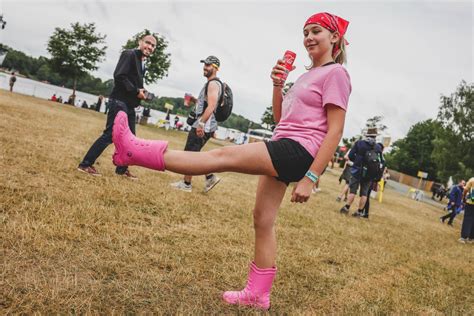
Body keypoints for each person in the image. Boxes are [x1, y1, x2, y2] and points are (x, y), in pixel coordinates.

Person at [110, 12, 351, 309]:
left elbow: (335, 129)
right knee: (262, 219)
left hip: (299, 150)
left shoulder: (336, 74)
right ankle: (258, 294)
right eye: (305, 32)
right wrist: (278, 85)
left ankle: (134, 152)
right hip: (285, 141)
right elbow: (281, 120)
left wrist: (311, 177)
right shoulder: (306, 76)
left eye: (316, 31)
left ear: (334, 37)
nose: (309, 38)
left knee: (220, 156)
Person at [77, 34, 157, 178]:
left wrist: (142, 91)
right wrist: (135, 91)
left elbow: (133, 81)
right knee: (110, 135)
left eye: (153, 45)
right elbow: (119, 76)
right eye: (147, 43)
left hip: (130, 105)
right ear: (140, 42)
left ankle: (122, 169)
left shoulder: (141, 62)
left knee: (131, 138)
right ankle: (85, 164)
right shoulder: (129, 54)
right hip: (119, 101)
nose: (150, 47)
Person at [169, 56, 224, 193]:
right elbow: (206, 104)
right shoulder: (212, 84)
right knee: (194, 153)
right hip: (207, 124)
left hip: (203, 124)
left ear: (216, 68)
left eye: (208, 65)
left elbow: (211, 106)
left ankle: (187, 184)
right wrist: (195, 100)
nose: (205, 67)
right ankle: (210, 177)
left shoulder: (212, 84)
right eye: (204, 65)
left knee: (190, 155)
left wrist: (201, 124)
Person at [339, 128, 384, 217]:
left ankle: (346, 208)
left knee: (353, 190)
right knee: (364, 193)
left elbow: (351, 156)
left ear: (367, 135)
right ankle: (359, 212)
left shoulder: (360, 143)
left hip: (357, 170)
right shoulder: (378, 147)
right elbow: (381, 161)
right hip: (370, 174)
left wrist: (357, 160)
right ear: (375, 136)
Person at [459, 177, 474, 243]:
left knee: (468, 219)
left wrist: (464, 198)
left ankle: (463, 237)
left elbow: (465, 190)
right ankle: (471, 238)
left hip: (471, 202)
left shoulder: (472, 180)